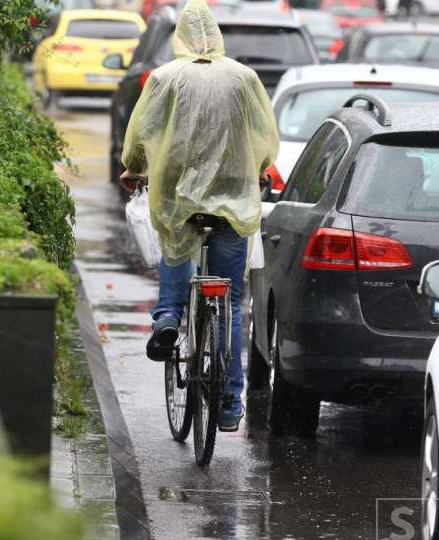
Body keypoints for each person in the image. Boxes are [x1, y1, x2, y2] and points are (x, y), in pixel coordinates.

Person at [119, 0, 279, 432]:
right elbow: (264, 137)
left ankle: (169, 316)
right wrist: (258, 167)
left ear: (180, 38)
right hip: (233, 200)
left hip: (178, 197)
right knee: (227, 300)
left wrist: (134, 167)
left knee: (175, 246)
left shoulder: (166, 78)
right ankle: (229, 402)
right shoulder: (244, 78)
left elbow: (141, 133)